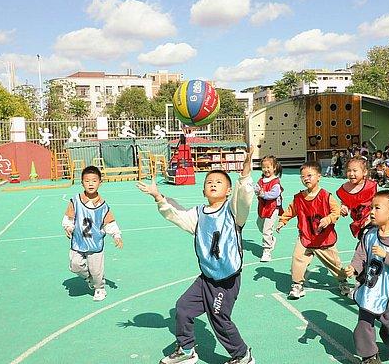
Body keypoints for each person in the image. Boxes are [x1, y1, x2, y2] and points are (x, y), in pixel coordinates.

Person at [137, 147, 256, 364]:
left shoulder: (233, 212)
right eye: (209, 182)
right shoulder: (198, 215)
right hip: (206, 278)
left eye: (219, 182)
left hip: (226, 280)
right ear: (203, 191)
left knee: (219, 317)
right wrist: (158, 196)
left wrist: (245, 173)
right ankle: (186, 350)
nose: (213, 184)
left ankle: (243, 356)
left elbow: (245, 197)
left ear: (229, 191)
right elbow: (176, 214)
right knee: (183, 307)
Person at [344, 190, 389, 364]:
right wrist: (353, 269)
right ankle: (369, 356)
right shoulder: (369, 234)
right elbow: (360, 255)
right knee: (363, 325)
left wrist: (386, 256)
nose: (371, 212)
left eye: (377, 208)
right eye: (371, 207)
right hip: (369, 289)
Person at [276, 161, 349, 299]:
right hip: (306, 237)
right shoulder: (299, 198)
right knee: (297, 259)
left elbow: (336, 211)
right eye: (303, 176)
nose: (306, 178)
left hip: (323, 238)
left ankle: (343, 281)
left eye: (310, 175)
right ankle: (297, 284)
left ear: (319, 176)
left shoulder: (326, 196)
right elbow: (291, 211)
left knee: (335, 264)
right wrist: (282, 221)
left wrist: (328, 219)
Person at [62, 166, 123, 302]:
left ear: (100, 182)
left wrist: (116, 235)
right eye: (87, 181)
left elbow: (109, 223)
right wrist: (68, 226)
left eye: (94, 181)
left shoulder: (103, 206)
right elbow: (69, 217)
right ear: (82, 182)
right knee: (75, 265)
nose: (90, 184)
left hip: (95, 244)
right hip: (78, 242)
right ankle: (89, 278)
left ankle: (99, 288)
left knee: (97, 270)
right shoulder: (75, 201)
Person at [336, 157, 378, 241]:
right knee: (364, 241)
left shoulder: (371, 186)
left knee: (373, 240)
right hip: (358, 223)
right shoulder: (344, 189)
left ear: (364, 172)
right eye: (349, 170)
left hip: (373, 220)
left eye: (355, 171)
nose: (351, 174)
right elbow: (345, 203)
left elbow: (379, 202)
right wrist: (344, 208)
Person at [255, 155, 284, 262]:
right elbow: (258, 189)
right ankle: (271, 239)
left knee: (267, 230)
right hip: (263, 207)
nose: (266, 170)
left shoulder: (275, 181)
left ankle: (267, 251)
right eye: (264, 167)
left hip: (272, 208)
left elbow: (274, 194)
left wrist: (263, 194)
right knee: (260, 225)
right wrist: (255, 190)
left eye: (268, 167)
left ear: (274, 167)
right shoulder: (261, 180)